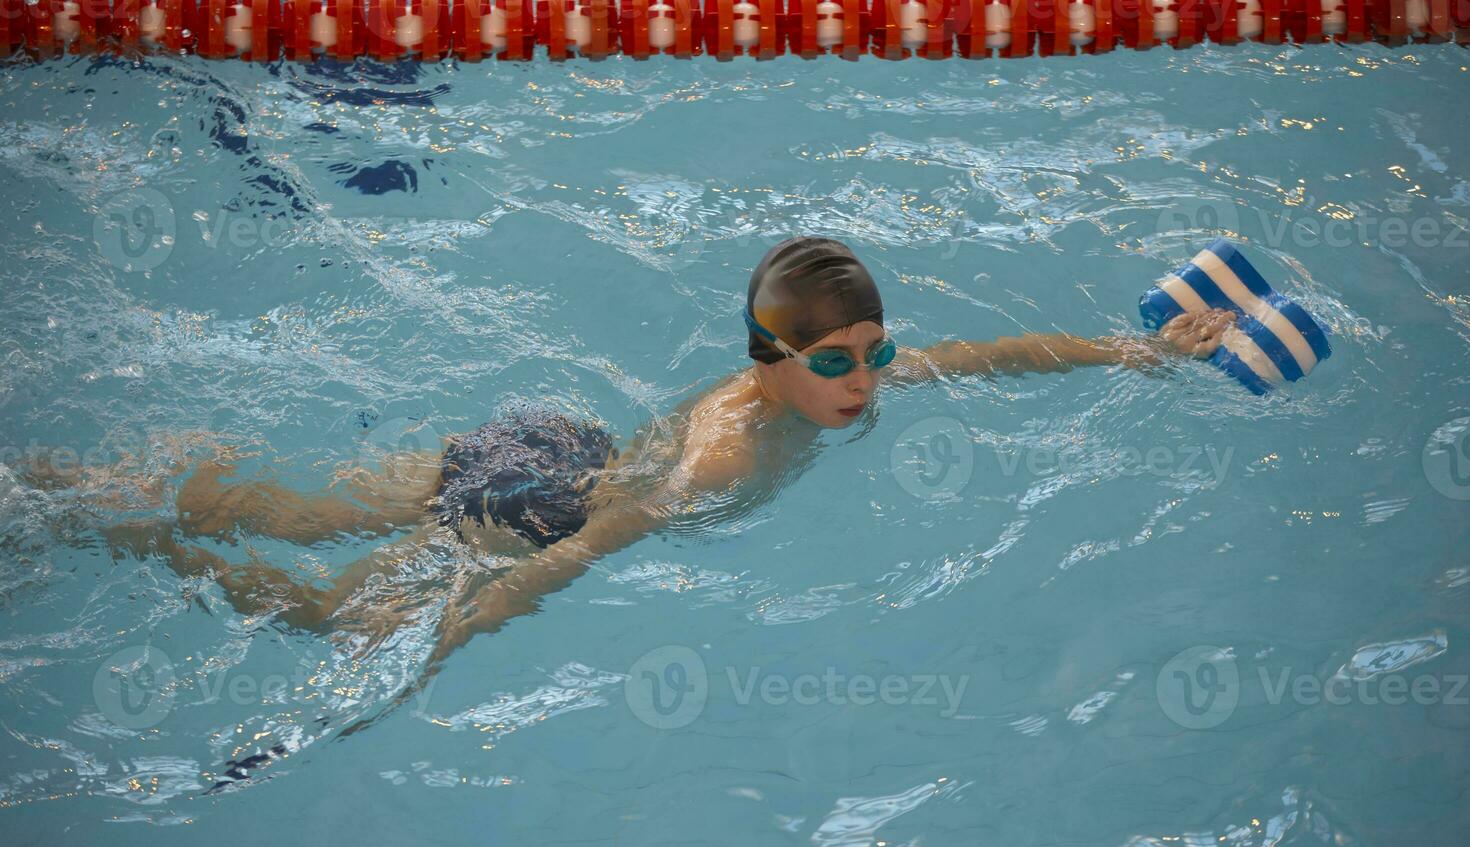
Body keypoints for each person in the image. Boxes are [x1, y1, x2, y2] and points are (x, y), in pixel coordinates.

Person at [83, 236, 1233, 725]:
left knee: (319, 511)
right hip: (546, 499)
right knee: (335, 615)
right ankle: (130, 537)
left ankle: (122, 486)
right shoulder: (734, 443)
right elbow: (596, 542)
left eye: (877, 349)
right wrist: (453, 633)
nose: (866, 378)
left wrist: (1135, 348)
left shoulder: (843, 375)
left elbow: (992, 357)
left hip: (551, 438)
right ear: (770, 357)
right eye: (835, 362)